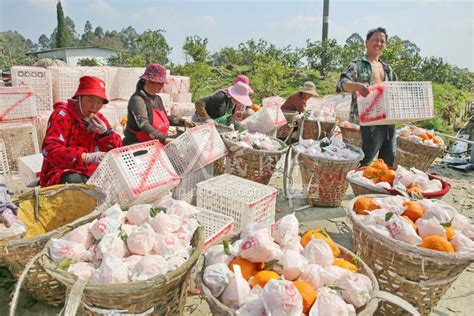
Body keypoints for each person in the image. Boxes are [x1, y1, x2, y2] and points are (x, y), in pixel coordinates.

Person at [39, 76, 122, 187]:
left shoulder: (99, 119)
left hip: (90, 171)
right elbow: (49, 149)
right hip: (61, 172)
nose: (94, 106)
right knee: (74, 181)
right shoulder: (62, 115)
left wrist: (106, 133)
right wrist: (86, 157)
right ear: (79, 98)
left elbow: (118, 147)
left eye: (99, 102)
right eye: (90, 100)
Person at [336, 27, 397, 166]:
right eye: (375, 40)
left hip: (387, 119)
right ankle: (357, 183)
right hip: (367, 120)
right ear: (366, 42)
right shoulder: (357, 65)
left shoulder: (388, 68)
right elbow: (342, 83)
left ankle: (380, 186)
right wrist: (357, 86)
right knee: (365, 157)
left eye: (382, 41)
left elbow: (393, 90)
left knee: (389, 158)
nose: (379, 43)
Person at [123, 64, 195, 146]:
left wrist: (183, 121)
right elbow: (144, 124)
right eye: (158, 82)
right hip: (138, 145)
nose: (161, 85)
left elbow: (165, 118)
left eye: (162, 82)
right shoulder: (137, 99)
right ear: (147, 81)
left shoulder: (157, 98)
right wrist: (164, 139)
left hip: (155, 143)